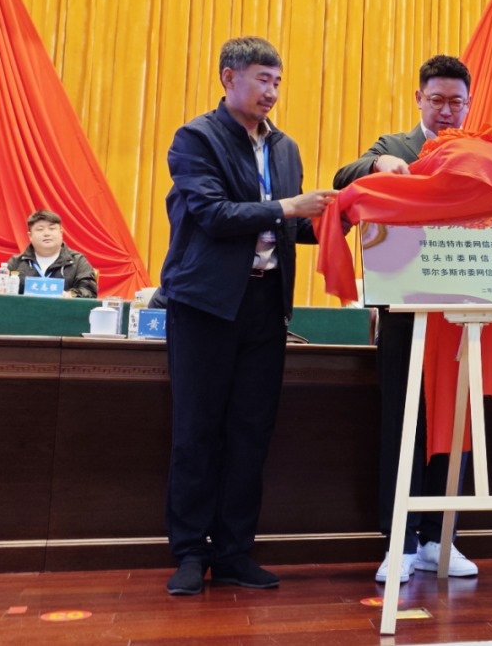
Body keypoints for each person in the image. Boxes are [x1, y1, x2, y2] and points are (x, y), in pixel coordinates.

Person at [333, 55, 492, 584]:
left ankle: (439, 537)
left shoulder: (481, 153)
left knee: (457, 426)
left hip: (465, 317)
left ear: (469, 103)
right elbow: (343, 177)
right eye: (437, 100)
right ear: (419, 100)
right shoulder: (394, 147)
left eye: (457, 102)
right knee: (403, 425)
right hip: (407, 316)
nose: (447, 111)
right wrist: (378, 167)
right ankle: (399, 542)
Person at [161, 36, 336, 596]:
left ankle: (234, 551)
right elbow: (214, 214)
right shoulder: (196, 138)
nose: (272, 92)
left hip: (265, 304)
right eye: (262, 79)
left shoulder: (285, 148)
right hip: (206, 304)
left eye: (278, 82)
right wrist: (290, 207)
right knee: (197, 430)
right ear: (228, 78)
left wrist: (346, 215)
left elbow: (292, 227)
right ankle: (191, 552)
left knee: (251, 432)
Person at [5, 210, 97, 298]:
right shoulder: (16, 262)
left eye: (52, 228)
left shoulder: (77, 261)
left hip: (63, 308)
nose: (46, 233)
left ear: (61, 233)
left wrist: (71, 295)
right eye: (40, 229)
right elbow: (1, 290)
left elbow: (89, 291)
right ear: (30, 236)